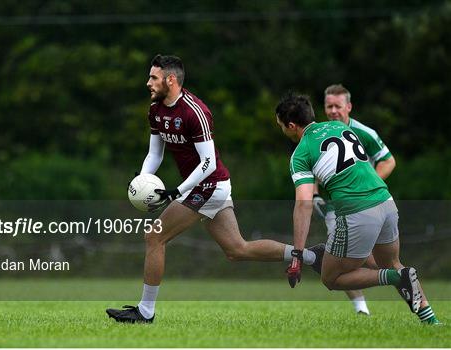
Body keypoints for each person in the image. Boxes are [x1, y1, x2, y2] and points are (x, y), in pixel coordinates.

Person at [106, 55, 322, 323]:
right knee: (237, 249)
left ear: (170, 80)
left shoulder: (195, 111)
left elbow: (207, 163)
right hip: (206, 186)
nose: (148, 82)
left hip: (209, 184)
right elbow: (155, 154)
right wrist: (142, 178)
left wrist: (177, 191)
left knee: (154, 236)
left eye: (153, 77)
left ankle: (145, 312)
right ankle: (311, 256)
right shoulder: (156, 109)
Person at [275, 92, 441, 325]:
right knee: (392, 262)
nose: (282, 130)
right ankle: (430, 319)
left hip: (356, 211)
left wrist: (297, 255)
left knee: (331, 278)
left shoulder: (300, 153)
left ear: (291, 125)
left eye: (281, 126)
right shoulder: (340, 127)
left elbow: (303, 204)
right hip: (386, 201)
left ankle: (395, 277)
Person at [313, 84, 397, 315]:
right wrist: (314, 195)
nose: (332, 111)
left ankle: (400, 280)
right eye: (328, 106)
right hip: (336, 207)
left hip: (367, 204)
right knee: (337, 256)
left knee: (374, 261)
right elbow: (314, 168)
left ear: (348, 106)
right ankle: (361, 309)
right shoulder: (321, 132)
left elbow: (388, 161)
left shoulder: (364, 132)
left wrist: (367, 185)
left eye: (337, 106)